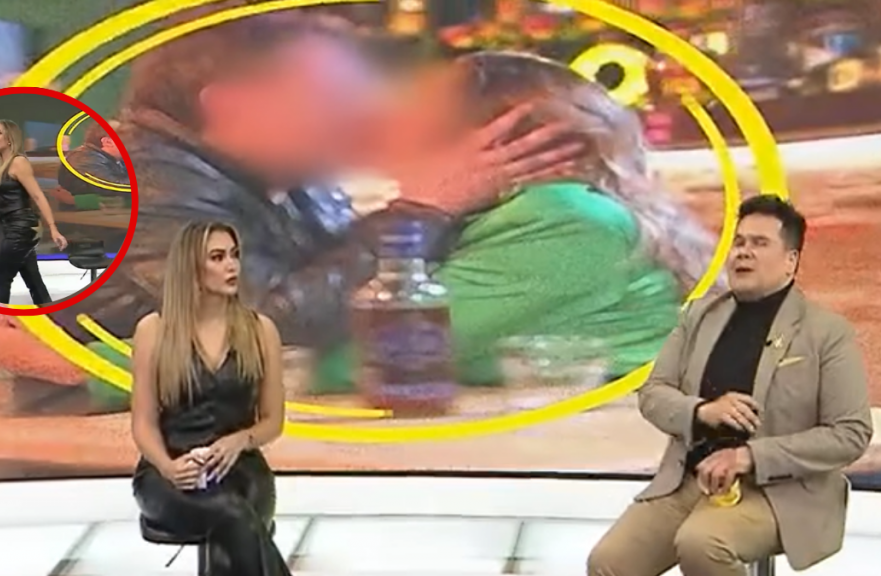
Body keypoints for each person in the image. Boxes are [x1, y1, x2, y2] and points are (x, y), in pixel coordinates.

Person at [54, 9, 581, 347]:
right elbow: (258, 329)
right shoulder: (131, 182)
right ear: (231, 105)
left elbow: (335, 287)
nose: (365, 115)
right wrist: (421, 212)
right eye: (333, 98)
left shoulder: (296, 184)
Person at [314, 52, 718, 390]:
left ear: (494, 140)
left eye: (416, 107)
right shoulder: (522, 212)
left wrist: (422, 207)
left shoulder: (562, 220)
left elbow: (363, 365)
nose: (384, 117)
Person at [586, 195, 873, 576]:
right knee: (608, 563)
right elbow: (653, 394)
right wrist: (702, 411)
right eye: (739, 242)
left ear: (791, 261)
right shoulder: (698, 316)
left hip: (779, 492)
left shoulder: (826, 333)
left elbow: (851, 433)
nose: (743, 252)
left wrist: (749, 456)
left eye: (760, 243)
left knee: (702, 544)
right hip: (690, 481)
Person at [131, 221, 288, 575]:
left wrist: (239, 440)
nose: (231, 265)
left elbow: (273, 421)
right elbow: (143, 423)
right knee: (233, 517)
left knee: (237, 517)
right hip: (170, 471)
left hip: (242, 468)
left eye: (234, 255)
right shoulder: (154, 331)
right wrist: (169, 468)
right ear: (191, 267)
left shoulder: (260, 331)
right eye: (217, 257)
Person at [0, 119, 68, 305]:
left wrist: (53, 228)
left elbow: (37, 196)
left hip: (22, 228)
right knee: (33, 279)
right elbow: (13, 198)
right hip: (12, 226)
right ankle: (49, 311)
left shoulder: (18, 162)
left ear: (10, 137)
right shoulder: (2, 165)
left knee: (1, 280)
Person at [55, 118, 129, 205]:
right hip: (83, 213)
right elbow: (115, 188)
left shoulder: (117, 159)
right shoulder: (84, 158)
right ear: (108, 142)